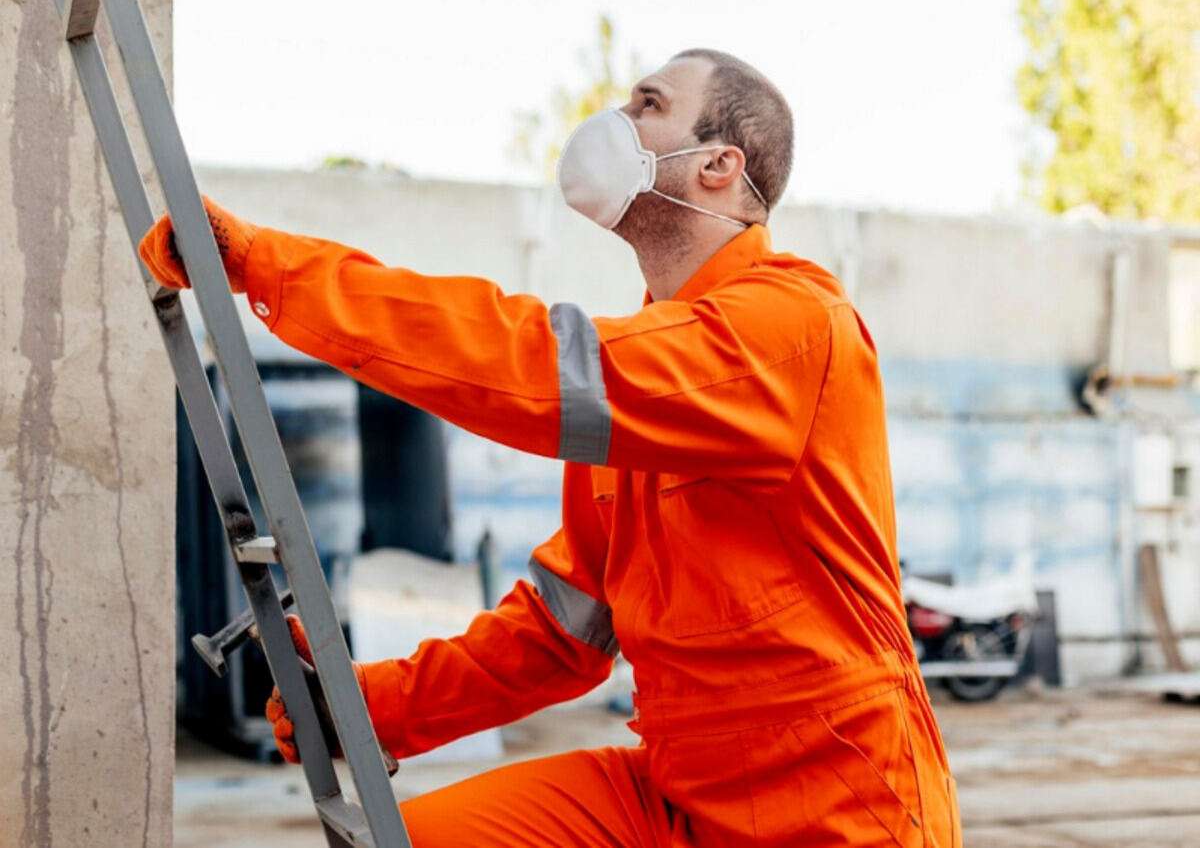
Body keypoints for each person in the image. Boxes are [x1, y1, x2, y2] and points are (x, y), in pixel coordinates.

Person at [141, 48, 960, 848]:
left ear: (718, 164)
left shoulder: (789, 326)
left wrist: (271, 270)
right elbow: (558, 634)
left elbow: (523, 362)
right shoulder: (651, 377)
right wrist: (369, 705)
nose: (616, 120)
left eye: (648, 104)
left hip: (836, 799)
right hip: (676, 789)